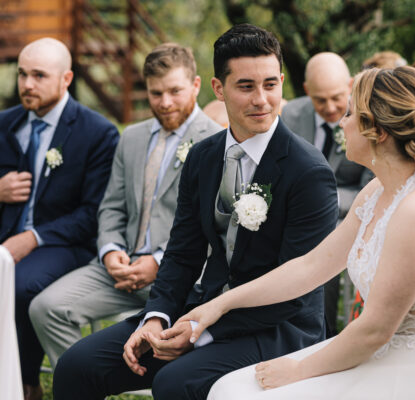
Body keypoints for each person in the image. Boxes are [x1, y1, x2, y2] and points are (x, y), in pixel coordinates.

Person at [178, 66, 415, 400]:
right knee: (230, 386)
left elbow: (375, 330)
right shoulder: (378, 191)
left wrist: (299, 371)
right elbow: (311, 266)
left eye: (350, 114)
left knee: (240, 394)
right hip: (381, 348)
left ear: (377, 131)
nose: (341, 123)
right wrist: (220, 304)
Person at [52, 24, 339, 400]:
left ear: (282, 82)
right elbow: (182, 252)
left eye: (270, 85)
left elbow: (296, 291)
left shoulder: (309, 172)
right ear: (218, 89)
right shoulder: (203, 157)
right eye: (246, 86)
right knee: (77, 366)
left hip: (279, 326)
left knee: (174, 382)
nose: (261, 100)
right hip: (201, 308)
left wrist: (199, 332)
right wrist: (157, 318)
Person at [28, 42, 222, 380]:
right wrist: (110, 251)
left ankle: (129, 377)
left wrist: (158, 261)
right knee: (46, 308)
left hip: (182, 275)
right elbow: (111, 207)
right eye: (155, 93)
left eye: (174, 91)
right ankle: (86, 383)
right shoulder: (131, 137)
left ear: (194, 85)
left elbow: (213, 226)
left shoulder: (216, 141)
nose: (165, 102)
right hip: (118, 270)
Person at [0, 37, 119, 400]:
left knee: (20, 284)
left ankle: (25, 383)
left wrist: (32, 238)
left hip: (65, 243)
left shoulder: (97, 133)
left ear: (66, 79)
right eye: (22, 74)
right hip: (6, 237)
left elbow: (92, 214)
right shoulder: (4, 123)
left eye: (39, 75)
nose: (27, 84)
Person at [281, 52, 373, 338]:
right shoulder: (290, 115)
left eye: (336, 97)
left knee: (325, 241)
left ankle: (323, 332)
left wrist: (322, 202)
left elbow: (370, 188)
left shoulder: (367, 119)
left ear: (350, 85)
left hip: (343, 216)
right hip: (291, 213)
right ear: (307, 90)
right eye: (320, 100)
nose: (330, 107)